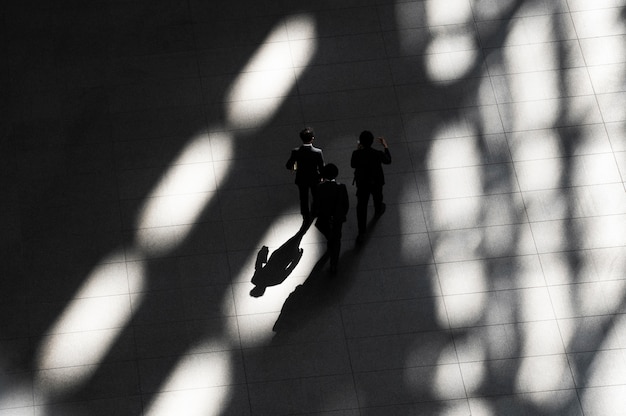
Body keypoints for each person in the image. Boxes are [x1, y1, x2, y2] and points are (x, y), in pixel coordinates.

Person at [351, 130, 391, 242]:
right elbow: (388, 161)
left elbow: (353, 164)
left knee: (362, 207)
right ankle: (378, 209)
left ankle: (362, 232)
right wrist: (385, 146)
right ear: (372, 141)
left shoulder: (356, 154)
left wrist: (358, 150)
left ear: (361, 142)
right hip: (376, 181)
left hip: (362, 183)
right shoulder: (377, 153)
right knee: (378, 196)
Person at [312, 163, 349, 274]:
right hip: (337, 218)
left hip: (324, 218)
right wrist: (341, 215)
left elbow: (316, 204)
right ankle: (334, 264)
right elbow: (345, 204)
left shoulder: (320, 188)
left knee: (329, 234)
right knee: (337, 241)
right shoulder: (341, 187)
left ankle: (330, 240)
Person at [286, 127, 324, 224]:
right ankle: (315, 211)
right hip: (314, 178)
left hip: (301, 178)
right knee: (316, 195)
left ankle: (305, 215)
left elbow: (289, 165)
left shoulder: (296, 151)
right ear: (312, 138)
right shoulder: (318, 152)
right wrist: (322, 176)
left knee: (303, 197)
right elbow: (321, 167)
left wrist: (295, 167)